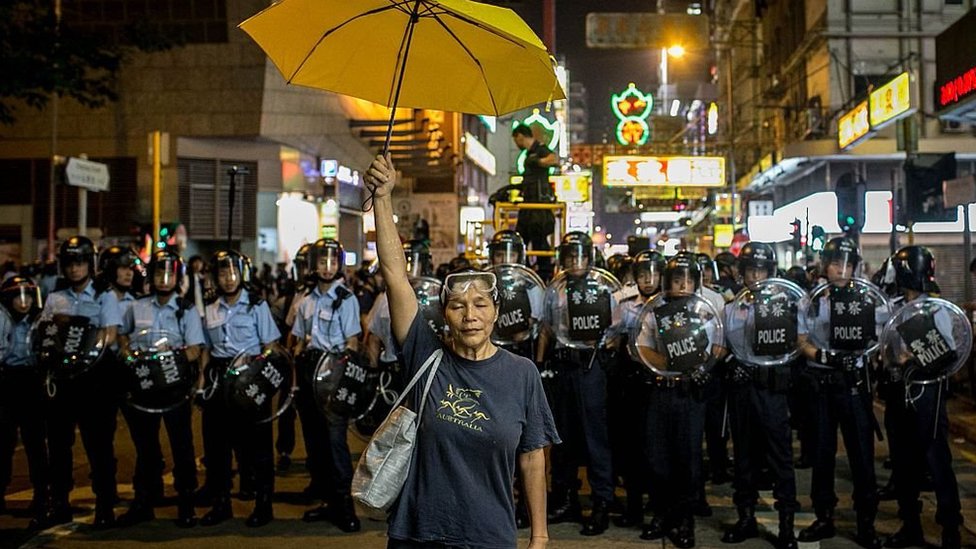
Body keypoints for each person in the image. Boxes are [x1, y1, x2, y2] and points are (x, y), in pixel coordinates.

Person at [366, 153, 559, 549]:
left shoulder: (522, 374)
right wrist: (383, 199)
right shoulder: (425, 353)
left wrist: (539, 536)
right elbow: (395, 275)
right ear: (444, 315)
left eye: (481, 305)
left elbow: (533, 459)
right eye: (458, 306)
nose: (470, 315)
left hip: (488, 536)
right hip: (416, 533)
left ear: (497, 313)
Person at [796, 237, 885, 549]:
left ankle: (866, 522)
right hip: (821, 384)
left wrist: (863, 355)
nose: (841, 269)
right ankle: (823, 516)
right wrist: (822, 356)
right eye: (835, 263)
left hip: (853, 384)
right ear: (826, 265)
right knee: (822, 454)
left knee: (862, 455)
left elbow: (881, 335)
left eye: (847, 263)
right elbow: (801, 338)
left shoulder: (866, 298)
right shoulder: (813, 300)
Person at [634, 253, 726, 548]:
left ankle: (685, 520)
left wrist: (702, 368)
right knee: (657, 456)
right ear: (667, 282)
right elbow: (642, 347)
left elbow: (718, 346)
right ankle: (661, 514)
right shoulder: (654, 312)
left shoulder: (705, 313)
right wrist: (669, 363)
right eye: (676, 280)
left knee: (688, 458)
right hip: (662, 389)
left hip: (690, 393)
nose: (683, 285)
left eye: (688, 280)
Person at [536, 231, 617, 536]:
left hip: (591, 366)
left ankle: (601, 502)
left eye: (581, 256)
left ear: (590, 258)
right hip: (562, 368)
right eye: (570, 256)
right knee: (562, 438)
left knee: (595, 438)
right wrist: (541, 366)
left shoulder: (603, 288)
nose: (576, 262)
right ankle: (565, 497)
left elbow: (617, 330)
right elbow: (546, 328)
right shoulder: (556, 289)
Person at [116, 249, 204, 528]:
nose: (163, 279)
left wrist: (169, 359)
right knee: (145, 446)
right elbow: (123, 336)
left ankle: (186, 501)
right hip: (144, 385)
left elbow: (194, 349)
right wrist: (130, 353)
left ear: (178, 277)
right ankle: (144, 500)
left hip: (174, 386)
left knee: (181, 444)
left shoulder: (185, 309)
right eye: (158, 273)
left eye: (169, 273)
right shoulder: (137, 306)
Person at [882, 246, 962, 549]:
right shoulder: (894, 307)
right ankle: (910, 525)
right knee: (903, 463)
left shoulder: (935, 309)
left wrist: (911, 357)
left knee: (936, 459)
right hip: (898, 390)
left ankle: (950, 528)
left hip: (927, 392)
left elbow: (947, 351)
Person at [721, 242, 799, 549]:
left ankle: (786, 525)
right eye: (751, 270)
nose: (756, 276)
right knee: (744, 457)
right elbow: (722, 348)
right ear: (741, 273)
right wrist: (731, 366)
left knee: (781, 457)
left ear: (772, 273)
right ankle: (746, 517)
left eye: (762, 270)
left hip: (773, 390)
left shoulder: (787, 306)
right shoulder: (730, 309)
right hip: (743, 391)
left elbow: (799, 344)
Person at [40, 236, 123, 527]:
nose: (75, 269)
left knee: (98, 443)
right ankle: (59, 501)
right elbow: (45, 333)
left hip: (95, 378)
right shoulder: (55, 295)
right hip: (63, 379)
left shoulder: (104, 295)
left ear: (90, 264)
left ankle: (104, 504)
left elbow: (110, 333)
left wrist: (84, 346)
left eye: (80, 263)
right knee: (59, 444)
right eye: (70, 264)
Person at [199, 250, 281, 527]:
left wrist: (259, 374)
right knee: (217, 446)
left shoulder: (257, 306)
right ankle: (221, 503)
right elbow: (206, 352)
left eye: (233, 272)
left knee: (257, 446)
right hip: (219, 381)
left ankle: (263, 503)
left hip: (251, 381)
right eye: (223, 273)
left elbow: (270, 347)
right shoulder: (210, 308)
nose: (229, 278)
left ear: (242, 274)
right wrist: (201, 386)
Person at [291, 238, 363, 532]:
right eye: (322, 261)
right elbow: (298, 340)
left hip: (333, 374)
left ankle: (344, 506)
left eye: (333, 262)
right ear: (313, 265)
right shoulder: (306, 300)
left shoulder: (347, 299)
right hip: (310, 370)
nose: (327, 267)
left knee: (335, 442)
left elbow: (353, 342)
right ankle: (325, 499)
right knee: (315, 440)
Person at [0, 276, 48, 529]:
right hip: (6, 380)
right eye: (17, 297)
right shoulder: (2, 319)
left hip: (31, 382)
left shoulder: (38, 322)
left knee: (35, 442)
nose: (23, 302)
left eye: (28, 296)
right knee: (4, 442)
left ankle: (42, 494)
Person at [512, 124, 559, 280]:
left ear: (520, 136)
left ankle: (543, 274)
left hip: (538, 205)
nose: (516, 144)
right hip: (528, 204)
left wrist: (538, 162)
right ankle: (523, 270)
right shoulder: (529, 153)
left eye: (516, 140)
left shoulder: (539, 148)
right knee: (520, 238)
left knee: (539, 240)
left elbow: (554, 159)